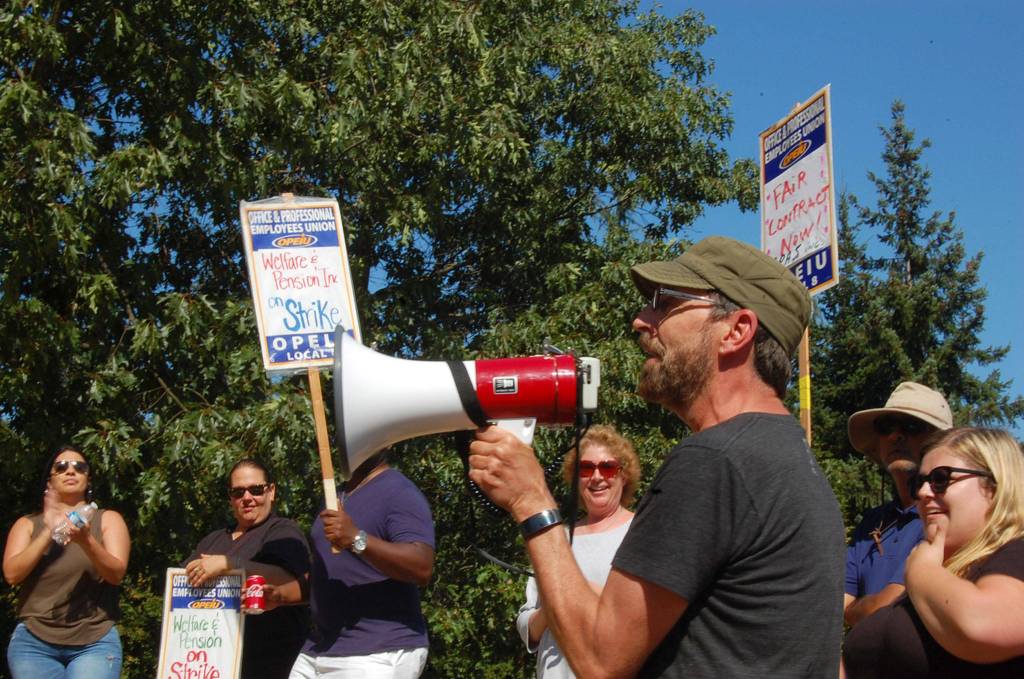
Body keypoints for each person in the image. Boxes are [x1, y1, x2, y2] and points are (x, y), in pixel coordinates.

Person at [469, 235, 846, 677]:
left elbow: (599, 660)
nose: (641, 321)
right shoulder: (790, 461)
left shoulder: (715, 461)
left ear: (737, 331)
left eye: (666, 303)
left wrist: (531, 501)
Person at [843, 427, 1024, 678]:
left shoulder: (1016, 553)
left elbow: (984, 625)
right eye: (920, 481)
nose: (922, 493)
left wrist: (920, 570)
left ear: (995, 485)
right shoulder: (942, 577)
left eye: (941, 479)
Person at [289, 453, 435, 679]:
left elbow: (422, 566)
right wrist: (279, 594)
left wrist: (357, 538)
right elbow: (328, 574)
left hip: (377, 650)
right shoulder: (336, 495)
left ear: (387, 442)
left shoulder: (399, 491)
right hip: (318, 649)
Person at [516, 425, 640, 678]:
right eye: (586, 468)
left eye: (607, 467)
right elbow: (527, 628)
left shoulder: (641, 532)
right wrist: (553, 606)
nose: (596, 477)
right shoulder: (555, 538)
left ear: (624, 475)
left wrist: (578, 593)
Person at [3, 444, 131, 679]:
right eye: (61, 467)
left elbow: (116, 573)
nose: (70, 471)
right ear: (49, 482)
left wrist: (86, 541)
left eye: (79, 467)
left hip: (94, 640)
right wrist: (48, 531)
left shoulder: (107, 520)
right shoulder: (27, 524)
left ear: (88, 479)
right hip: (33, 643)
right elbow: (12, 575)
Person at [183, 458, 310, 679]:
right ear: (230, 498)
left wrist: (230, 565)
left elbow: (292, 580)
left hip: (272, 665)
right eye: (238, 492)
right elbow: (181, 586)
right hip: (214, 665)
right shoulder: (212, 541)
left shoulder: (283, 532)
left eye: (256, 490)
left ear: (271, 491)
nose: (247, 498)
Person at [843, 382, 954, 627]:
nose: (895, 435)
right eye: (886, 427)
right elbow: (836, 605)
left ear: (940, 442)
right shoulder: (870, 525)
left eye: (912, 426)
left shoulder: (947, 517)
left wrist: (856, 609)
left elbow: (887, 606)